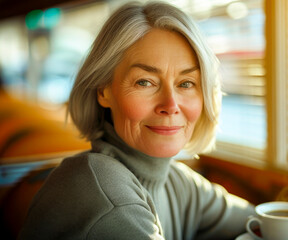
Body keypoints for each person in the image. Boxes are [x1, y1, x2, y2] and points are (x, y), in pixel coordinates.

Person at [19, 1, 255, 239]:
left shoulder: (178, 183)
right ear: (104, 91)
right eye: (145, 82)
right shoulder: (102, 193)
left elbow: (260, 221)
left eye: (186, 83)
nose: (171, 106)